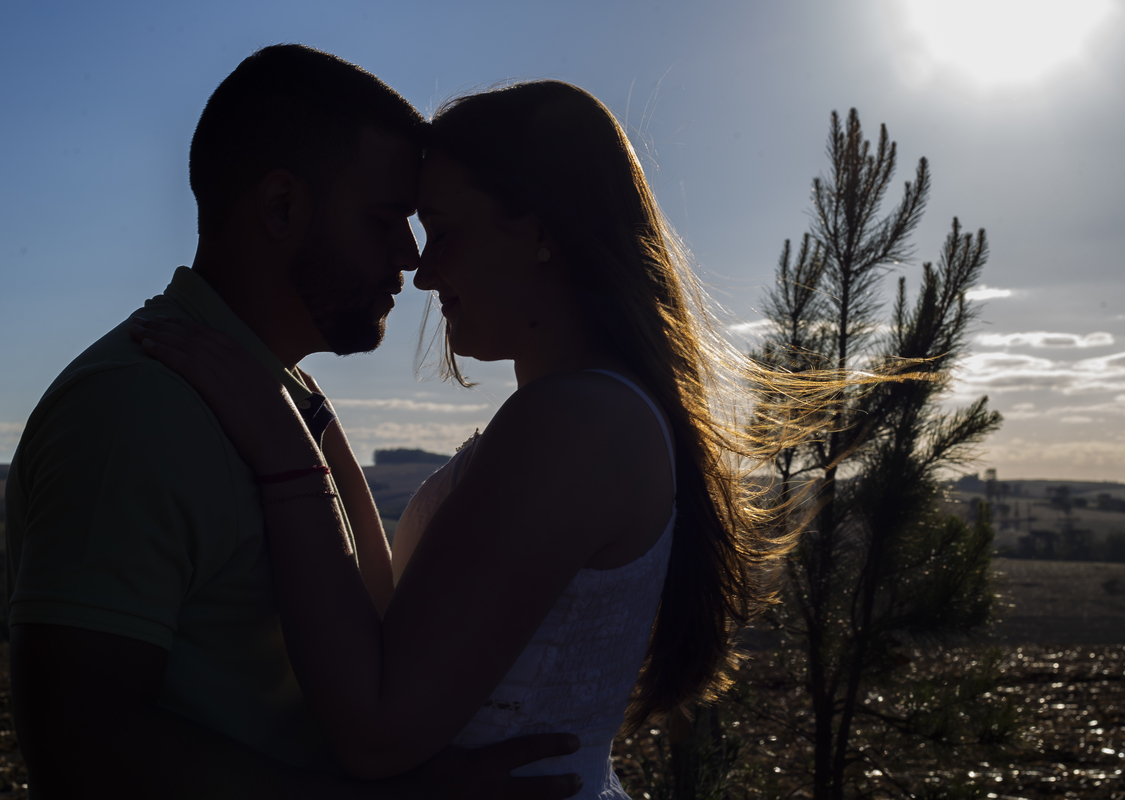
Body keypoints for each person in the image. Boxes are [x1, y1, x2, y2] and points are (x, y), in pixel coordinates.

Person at [129, 80, 806, 799]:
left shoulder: (577, 421)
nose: (422, 272)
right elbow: (386, 628)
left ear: (541, 232)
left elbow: (375, 732)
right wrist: (305, 414)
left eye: (443, 232)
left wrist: (282, 450)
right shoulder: (585, 414)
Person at [4, 46, 580, 799]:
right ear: (280, 206)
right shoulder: (135, 407)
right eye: (384, 220)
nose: (411, 259)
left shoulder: (275, 394)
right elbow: (80, 745)